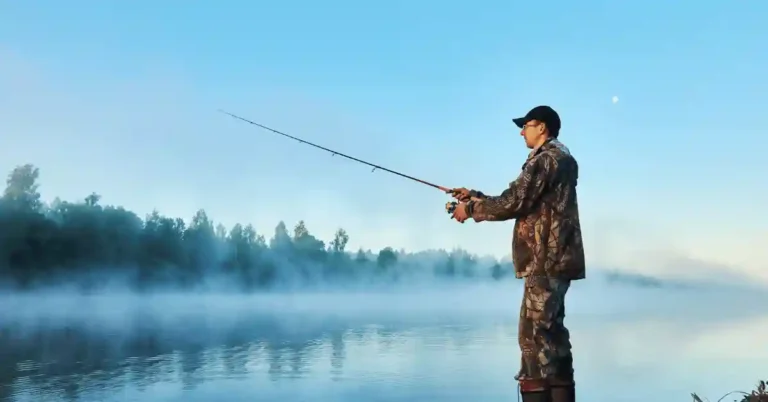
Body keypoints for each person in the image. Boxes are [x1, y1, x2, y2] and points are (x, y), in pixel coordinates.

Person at [450, 105, 585, 402]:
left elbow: (514, 202)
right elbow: (525, 202)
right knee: (552, 335)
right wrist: (476, 197)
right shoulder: (558, 160)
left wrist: (470, 209)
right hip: (557, 260)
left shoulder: (545, 160)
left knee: (533, 338)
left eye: (526, 125)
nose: (522, 131)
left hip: (544, 262)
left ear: (543, 127)